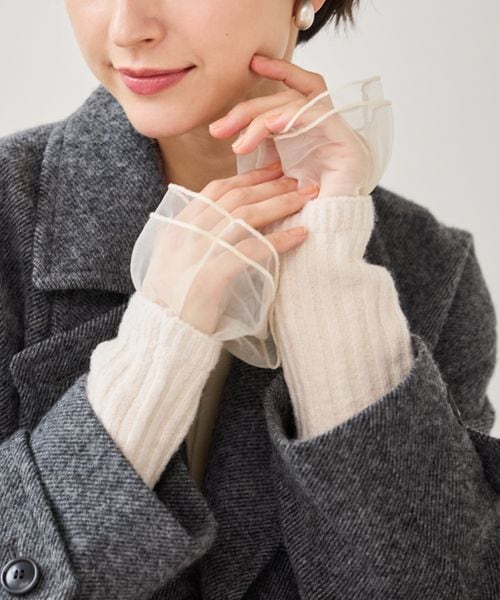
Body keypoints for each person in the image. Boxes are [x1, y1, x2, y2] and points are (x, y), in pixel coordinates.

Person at [0, 0, 498, 598]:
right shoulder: (9, 217)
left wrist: (329, 296)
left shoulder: (433, 272)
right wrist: (156, 353)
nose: (129, 29)